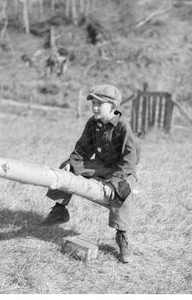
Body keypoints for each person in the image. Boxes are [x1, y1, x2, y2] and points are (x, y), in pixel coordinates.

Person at [40, 84, 140, 263]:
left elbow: (130, 161)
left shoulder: (123, 127)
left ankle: (122, 237)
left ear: (112, 107)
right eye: (93, 103)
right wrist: (73, 164)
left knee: (124, 191)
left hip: (122, 171)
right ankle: (60, 209)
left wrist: (114, 181)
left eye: (99, 104)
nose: (94, 107)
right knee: (67, 166)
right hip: (100, 166)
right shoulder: (93, 123)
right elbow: (82, 150)